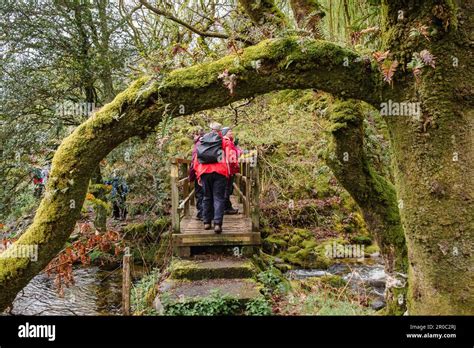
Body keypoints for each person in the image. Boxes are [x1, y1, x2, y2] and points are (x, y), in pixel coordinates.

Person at [194, 122, 233, 233]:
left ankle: (206, 222)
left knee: (207, 197)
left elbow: (197, 159)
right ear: (220, 130)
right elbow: (230, 157)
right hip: (220, 172)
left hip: (205, 172)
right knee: (218, 197)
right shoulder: (223, 141)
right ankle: (217, 224)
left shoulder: (202, 141)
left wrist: (198, 175)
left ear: (210, 129)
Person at [221, 127, 240, 214]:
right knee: (227, 189)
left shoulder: (226, 142)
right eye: (229, 131)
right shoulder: (227, 142)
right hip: (228, 169)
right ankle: (226, 208)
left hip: (224, 168)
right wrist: (236, 165)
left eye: (231, 130)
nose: (231, 132)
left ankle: (227, 207)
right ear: (225, 133)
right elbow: (230, 156)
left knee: (226, 188)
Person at [189, 129, 205, 220]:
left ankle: (201, 214)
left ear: (198, 135)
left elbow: (193, 162)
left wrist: (191, 177)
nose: (193, 137)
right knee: (206, 193)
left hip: (199, 172)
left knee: (200, 194)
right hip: (208, 171)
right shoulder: (207, 143)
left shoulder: (198, 145)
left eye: (194, 135)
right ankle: (207, 213)